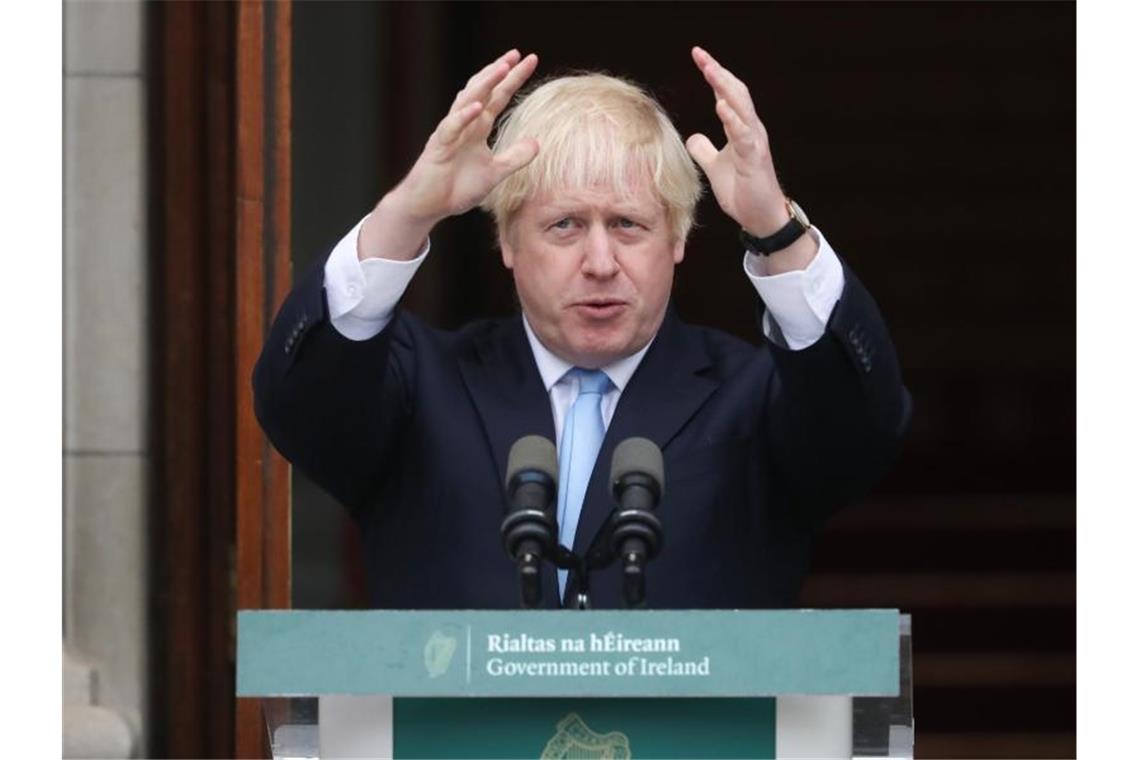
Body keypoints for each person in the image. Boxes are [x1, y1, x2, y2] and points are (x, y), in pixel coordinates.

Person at [253, 47, 909, 610]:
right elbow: (298, 403)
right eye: (564, 225)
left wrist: (778, 230)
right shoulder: (420, 385)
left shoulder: (756, 397)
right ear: (508, 240)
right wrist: (405, 215)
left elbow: (865, 423)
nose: (600, 264)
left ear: (677, 238)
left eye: (628, 225)